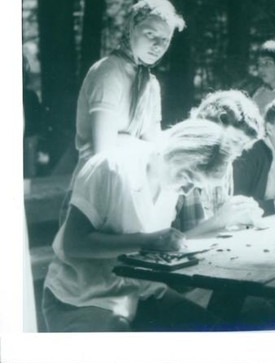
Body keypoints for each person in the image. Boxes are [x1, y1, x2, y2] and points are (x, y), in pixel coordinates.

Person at [42, 119, 243, 332]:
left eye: (196, 185)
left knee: (216, 333)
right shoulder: (111, 167)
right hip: (81, 296)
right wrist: (148, 241)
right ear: (178, 151)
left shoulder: (172, 186)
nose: (187, 189)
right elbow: (73, 244)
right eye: (188, 177)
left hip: (140, 291)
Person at [59, 0, 185, 224]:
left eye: (165, 40)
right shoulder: (108, 72)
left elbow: (153, 143)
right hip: (97, 188)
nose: (158, 45)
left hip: (134, 184)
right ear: (131, 29)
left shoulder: (150, 84)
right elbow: (103, 155)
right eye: (150, 34)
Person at [171, 89, 265, 236]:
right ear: (212, 126)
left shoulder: (226, 164)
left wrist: (238, 216)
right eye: (235, 141)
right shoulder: (178, 162)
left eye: (243, 145)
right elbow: (164, 242)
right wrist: (220, 220)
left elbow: (216, 224)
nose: (238, 152)